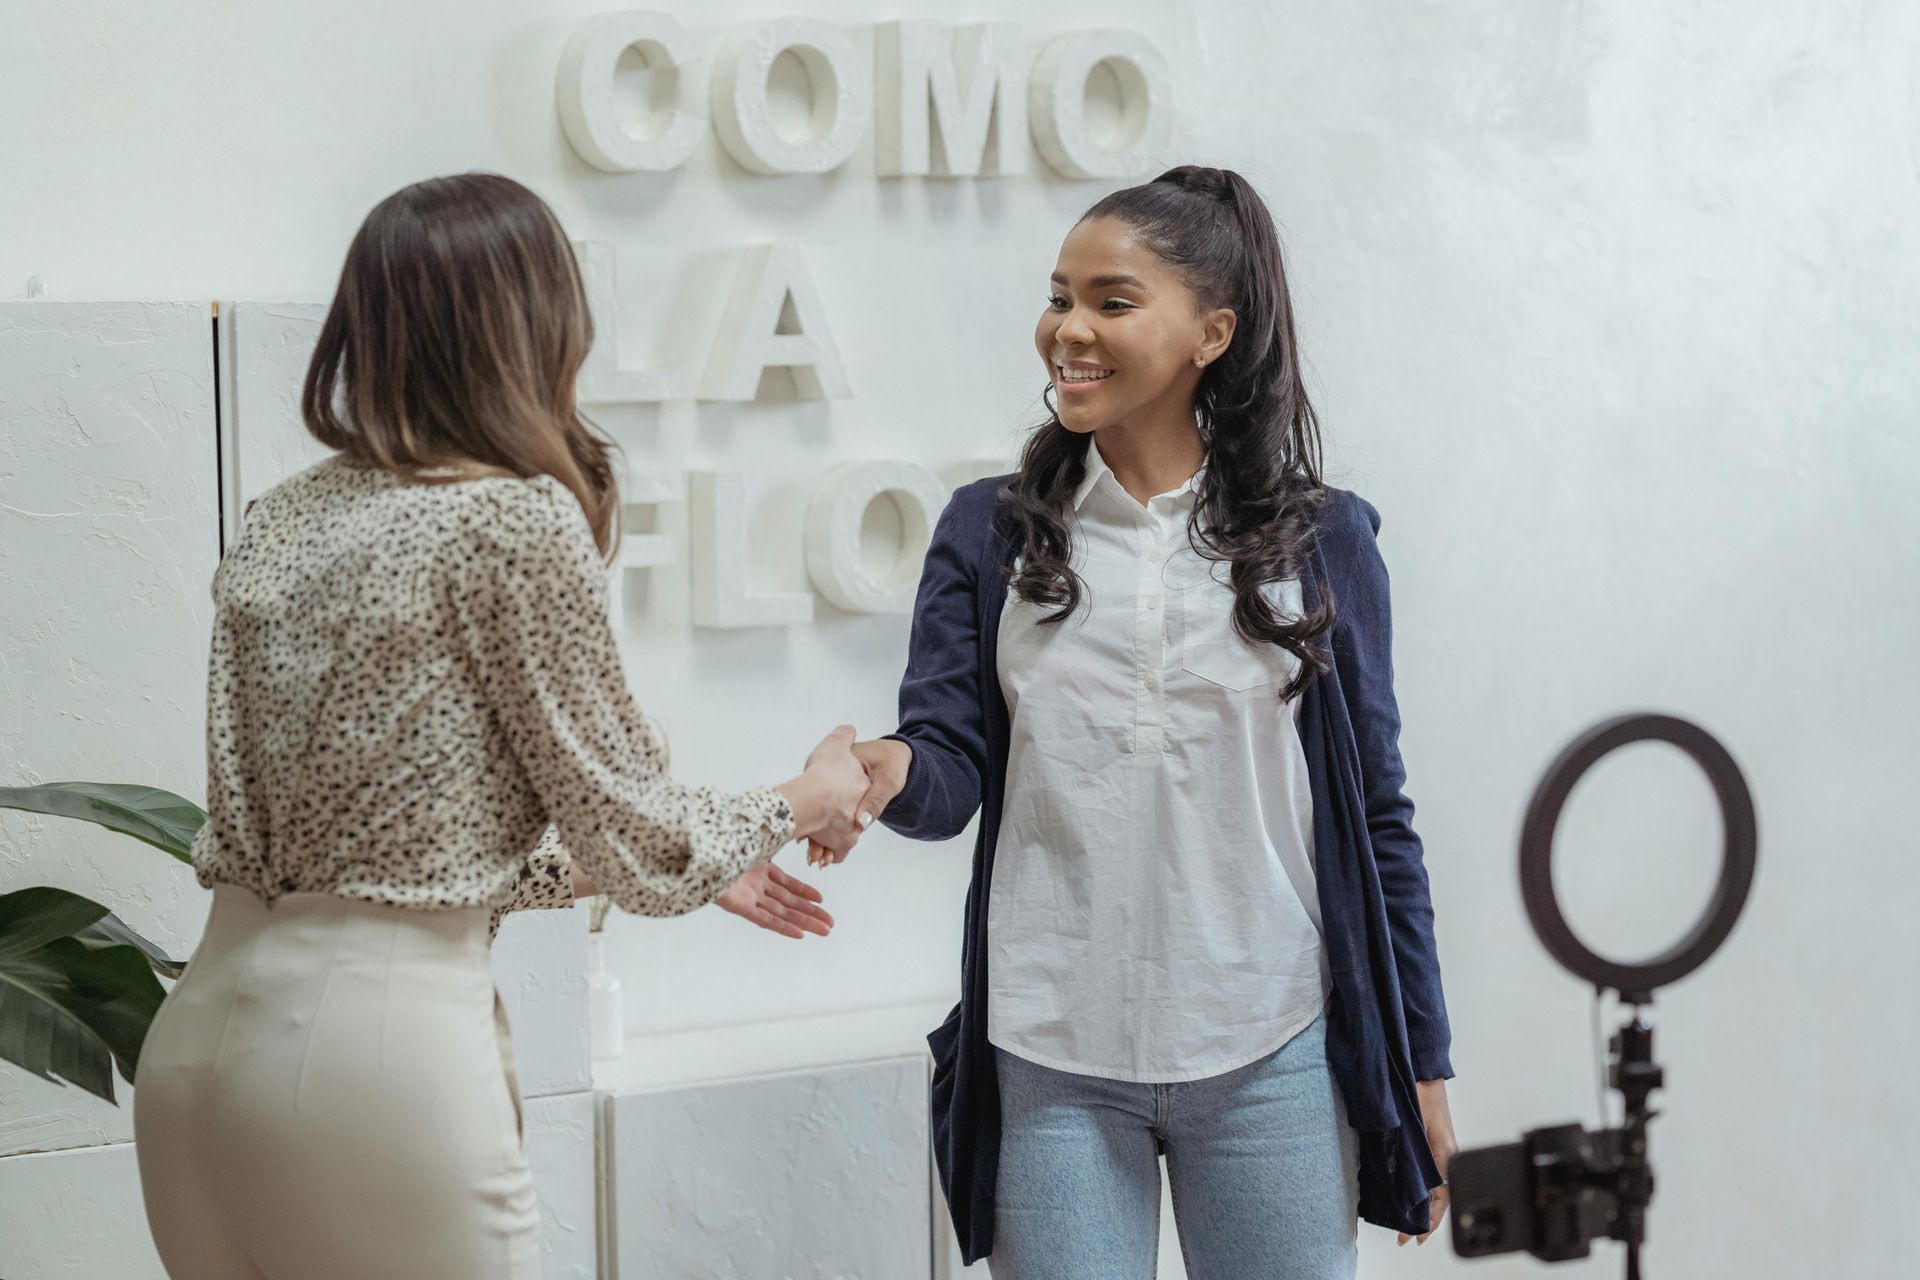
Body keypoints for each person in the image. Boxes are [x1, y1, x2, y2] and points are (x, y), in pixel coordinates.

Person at [132, 173, 872, 1280]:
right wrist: (804, 797)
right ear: (540, 324)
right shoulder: (510, 517)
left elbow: (392, 852)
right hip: (377, 1060)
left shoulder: (283, 516)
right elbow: (640, 844)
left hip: (199, 1052)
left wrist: (655, 859)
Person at [821, 165, 1458, 1279]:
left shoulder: (1324, 541)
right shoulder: (989, 532)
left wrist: (1424, 1070)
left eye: (1111, 303)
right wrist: (882, 769)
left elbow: (1378, 817)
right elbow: (952, 766)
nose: (1068, 329)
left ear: (1212, 331)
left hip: (1273, 1045)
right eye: (1059, 296)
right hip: (1053, 1051)